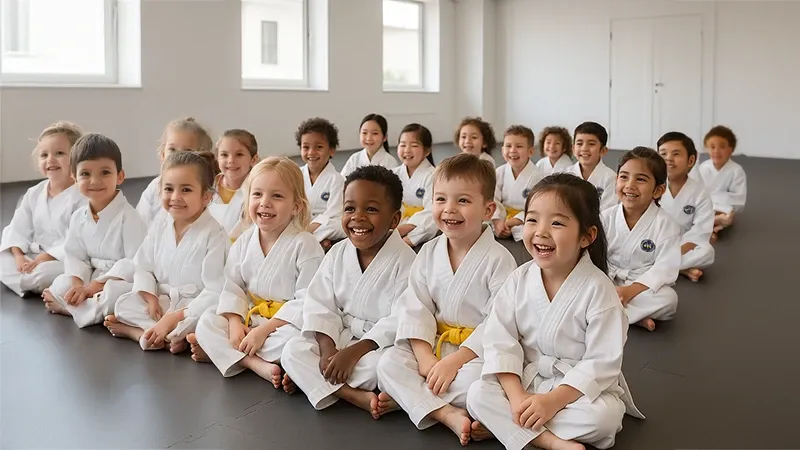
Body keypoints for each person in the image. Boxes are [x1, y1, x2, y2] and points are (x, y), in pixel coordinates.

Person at [467, 173, 644, 450]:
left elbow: (601, 361)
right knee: (477, 394)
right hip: (526, 380)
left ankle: (509, 427)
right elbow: (500, 339)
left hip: (574, 391)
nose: (541, 232)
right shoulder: (519, 279)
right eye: (532, 220)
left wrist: (551, 402)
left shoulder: (599, 290)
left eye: (557, 223)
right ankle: (548, 440)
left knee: (604, 419)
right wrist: (517, 398)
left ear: (587, 236)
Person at [376, 153, 517, 445]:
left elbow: (498, 324)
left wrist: (455, 361)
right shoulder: (428, 252)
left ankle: (412, 400)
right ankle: (446, 413)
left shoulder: (499, 260)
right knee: (387, 364)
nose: (449, 209)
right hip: (433, 343)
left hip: (474, 354)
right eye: (440, 199)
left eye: (463, 200)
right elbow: (416, 307)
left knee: (474, 387)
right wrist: (425, 356)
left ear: (488, 209)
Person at [280, 166, 417, 415]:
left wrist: (354, 352)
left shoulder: (406, 261)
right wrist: (327, 349)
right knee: (292, 351)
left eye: (371, 209)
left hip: (375, 346)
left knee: (383, 367)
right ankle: (352, 395)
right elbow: (320, 303)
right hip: (339, 335)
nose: (358, 217)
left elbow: (400, 319)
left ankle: (317, 383)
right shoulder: (337, 252)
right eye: (350, 208)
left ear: (394, 220)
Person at [193, 157, 324, 391]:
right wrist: (235, 322)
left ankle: (231, 354)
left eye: (277, 196)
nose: (265, 203)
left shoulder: (305, 244)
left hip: (284, 324)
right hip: (250, 319)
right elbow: (233, 287)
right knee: (207, 322)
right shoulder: (244, 241)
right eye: (257, 194)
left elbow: (307, 300)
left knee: (293, 344)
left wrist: (264, 331)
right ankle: (254, 363)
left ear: (296, 206)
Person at [106, 151, 227, 352]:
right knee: (124, 303)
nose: (175, 197)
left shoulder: (214, 234)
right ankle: (168, 338)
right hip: (162, 299)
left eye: (186, 190)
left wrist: (176, 316)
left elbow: (215, 290)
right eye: (169, 189)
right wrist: (150, 297)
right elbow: (143, 266)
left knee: (206, 319)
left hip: (191, 305)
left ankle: (144, 334)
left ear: (206, 196)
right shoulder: (161, 223)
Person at [42, 133, 147, 328]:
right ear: (74, 177)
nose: (95, 181)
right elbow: (75, 256)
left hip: (117, 280)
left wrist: (93, 288)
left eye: (105, 172)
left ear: (120, 176)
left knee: (115, 294)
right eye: (85, 174)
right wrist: (77, 285)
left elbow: (134, 262)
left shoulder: (129, 217)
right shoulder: (78, 217)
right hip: (90, 278)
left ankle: (69, 309)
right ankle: (86, 310)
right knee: (61, 283)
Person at [0, 121, 85, 297]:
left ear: (77, 157)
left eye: (59, 153)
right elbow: (17, 228)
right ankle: (34, 283)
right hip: (32, 256)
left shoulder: (82, 195)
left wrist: (43, 259)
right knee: (3, 258)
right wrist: (19, 256)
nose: (50, 160)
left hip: (60, 259)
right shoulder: (34, 192)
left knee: (49, 273)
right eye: (44, 155)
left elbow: (77, 240)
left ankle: (26, 282)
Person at [602, 147, 681, 332]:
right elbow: (592, 256)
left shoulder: (667, 225)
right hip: (607, 279)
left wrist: (629, 291)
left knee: (669, 300)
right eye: (624, 177)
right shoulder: (605, 217)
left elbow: (665, 269)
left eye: (641, 179)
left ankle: (609, 313)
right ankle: (632, 316)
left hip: (640, 284)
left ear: (658, 190)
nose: (630, 185)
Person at [135, 117, 214, 228]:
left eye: (187, 152)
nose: (178, 156)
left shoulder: (207, 191)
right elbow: (140, 224)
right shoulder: (154, 188)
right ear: (162, 155)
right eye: (172, 150)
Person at [657, 132, 715, 282]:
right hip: (654, 241)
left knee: (707, 252)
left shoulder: (700, 193)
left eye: (676, 154)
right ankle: (681, 269)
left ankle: (660, 266)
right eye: (663, 154)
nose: (668, 158)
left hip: (683, 245)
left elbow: (701, 231)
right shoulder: (652, 187)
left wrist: (677, 252)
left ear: (691, 160)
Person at [298, 118, 346, 250]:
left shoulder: (336, 179)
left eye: (318, 147)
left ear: (331, 150)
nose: (311, 152)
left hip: (323, 224)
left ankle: (309, 241)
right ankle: (319, 242)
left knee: (339, 225)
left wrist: (312, 227)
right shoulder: (296, 175)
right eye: (306, 147)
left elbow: (334, 213)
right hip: (299, 221)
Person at [691, 125, 746, 241]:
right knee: (694, 211)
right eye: (712, 147)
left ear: (731, 149)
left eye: (722, 147)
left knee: (727, 216)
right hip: (705, 204)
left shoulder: (736, 171)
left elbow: (738, 197)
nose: (716, 151)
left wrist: (716, 199)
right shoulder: (704, 167)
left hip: (723, 207)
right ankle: (713, 228)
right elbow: (696, 190)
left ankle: (708, 228)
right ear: (707, 148)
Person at [492, 125, 544, 240]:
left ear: (530, 151)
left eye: (519, 146)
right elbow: (493, 198)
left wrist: (512, 222)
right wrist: (497, 221)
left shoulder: (538, 177)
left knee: (532, 230)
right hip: (502, 217)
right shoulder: (500, 172)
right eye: (508, 146)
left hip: (524, 219)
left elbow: (537, 207)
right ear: (502, 150)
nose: (513, 150)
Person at [392, 123, 439, 247]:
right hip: (395, 227)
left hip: (420, 231)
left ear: (427, 150)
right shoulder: (393, 174)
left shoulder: (433, 176)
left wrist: (407, 229)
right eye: (403, 145)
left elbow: (432, 211)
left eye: (414, 145)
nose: (407, 150)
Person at [209, 129, 259, 237]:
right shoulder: (207, 187)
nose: (231, 160)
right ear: (217, 158)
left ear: (253, 159)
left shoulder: (258, 192)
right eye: (224, 155)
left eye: (239, 154)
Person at [563, 122, 617, 211]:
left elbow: (607, 211)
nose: (584, 148)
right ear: (573, 149)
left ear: (603, 150)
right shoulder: (565, 174)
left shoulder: (610, 178)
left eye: (591, 144)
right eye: (579, 144)